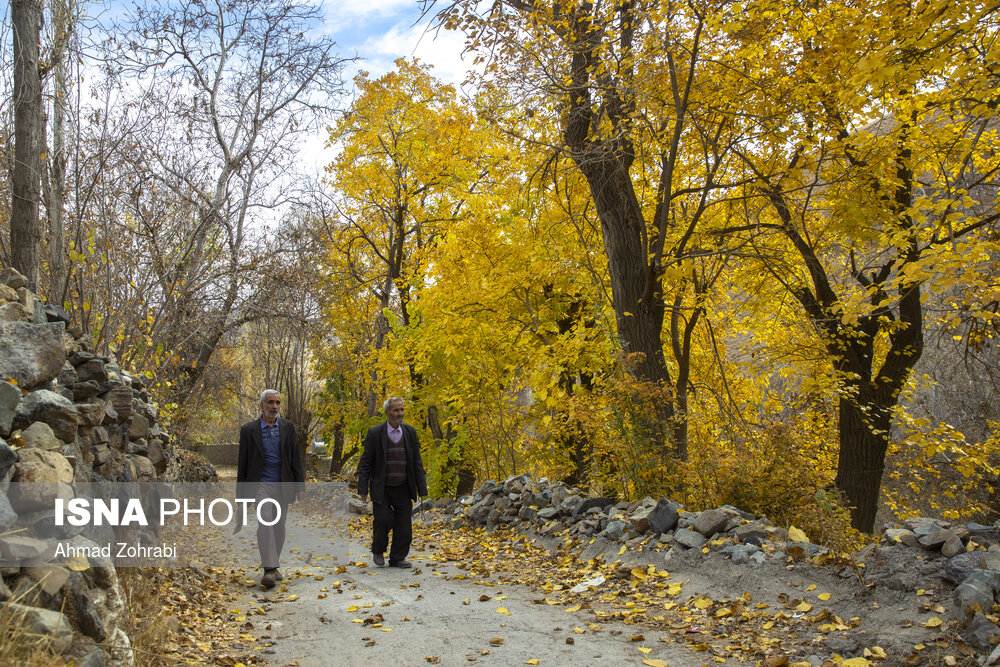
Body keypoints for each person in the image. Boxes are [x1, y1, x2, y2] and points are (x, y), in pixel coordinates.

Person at [237, 389, 305, 589]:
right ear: (262, 405)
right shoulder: (249, 430)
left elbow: (295, 459)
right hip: (260, 486)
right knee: (266, 522)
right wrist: (240, 497)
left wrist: (300, 486)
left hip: (282, 485)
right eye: (270, 403)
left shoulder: (287, 428)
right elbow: (243, 464)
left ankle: (273, 566)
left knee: (279, 528)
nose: (274, 406)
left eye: (277, 403)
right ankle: (269, 569)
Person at [357, 397, 428, 568]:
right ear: (388, 412)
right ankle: (378, 550)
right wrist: (362, 488)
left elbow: (417, 461)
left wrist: (422, 489)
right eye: (396, 410)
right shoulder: (375, 433)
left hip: (403, 486)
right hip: (382, 487)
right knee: (383, 519)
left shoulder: (410, 433)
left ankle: (397, 557)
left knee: (404, 525)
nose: (400, 413)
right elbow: (366, 462)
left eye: (402, 410)